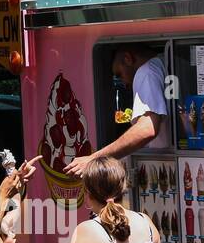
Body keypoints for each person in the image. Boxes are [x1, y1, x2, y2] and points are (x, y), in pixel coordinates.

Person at [65, 44, 169, 178]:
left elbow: (147, 129)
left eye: (119, 75)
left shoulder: (145, 72)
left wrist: (93, 159)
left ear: (127, 59)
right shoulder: (163, 63)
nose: (124, 83)